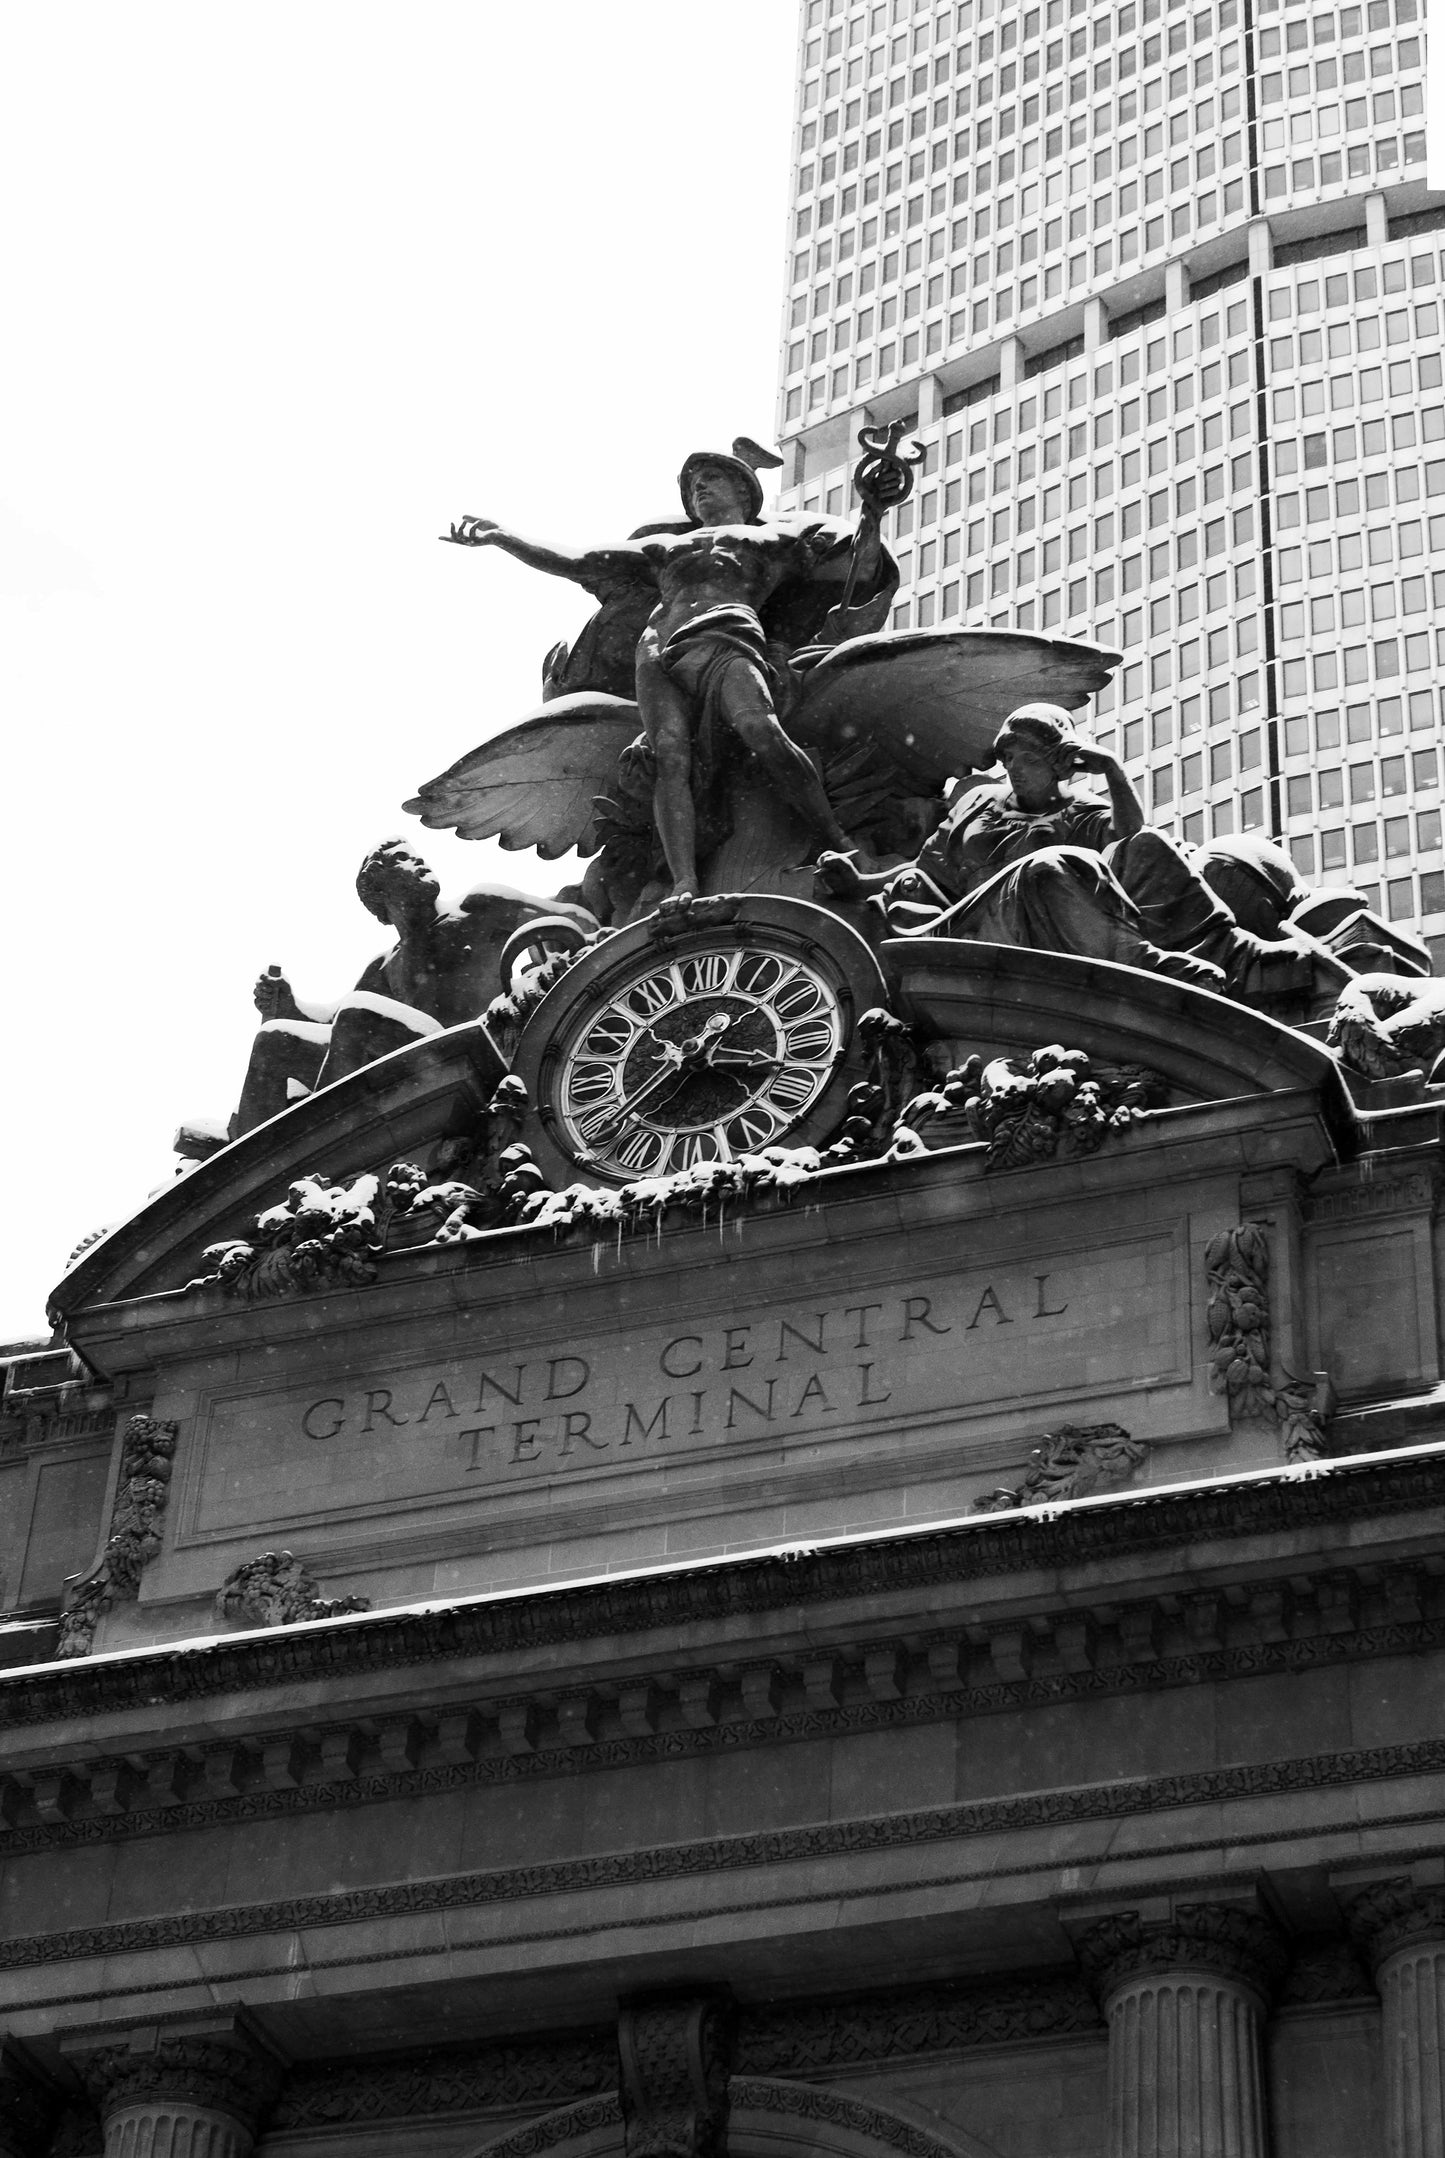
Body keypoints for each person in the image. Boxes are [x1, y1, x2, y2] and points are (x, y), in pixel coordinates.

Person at [445, 445, 897, 897]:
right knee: (669, 759)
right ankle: (684, 882)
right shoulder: (663, 547)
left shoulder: (775, 544)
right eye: (691, 483)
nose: (698, 488)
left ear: (743, 489)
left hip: (727, 637)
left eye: (710, 479)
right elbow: (577, 561)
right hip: (658, 651)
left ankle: (840, 844)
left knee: (763, 731)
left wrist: (873, 509)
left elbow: (859, 568)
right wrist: (503, 537)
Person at [817, 702, 1350, 1009]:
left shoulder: (1083, 814)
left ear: (1061, 763)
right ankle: (1143, 964)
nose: (1015, 767)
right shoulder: (978, 804)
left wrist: (1113, 769)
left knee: (1143, 846)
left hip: (1061, 932)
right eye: (1008, 757)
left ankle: (1231, 956)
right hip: (980, 927)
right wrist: (858, 883)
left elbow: (1130, 837)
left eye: (1027, 757)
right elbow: (924, 874)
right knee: (1051, 866)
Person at [230, 841, 593, 1136]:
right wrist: (286, 1005)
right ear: (382, 895)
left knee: (359, 1015)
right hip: (416, 1060)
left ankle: (321, 1141)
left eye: (419, 857)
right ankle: (245, 1166)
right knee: (274, 1040)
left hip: (469, 1050)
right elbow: (332, 1024)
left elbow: (574, 919)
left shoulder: (479, 908)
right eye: (403, 860)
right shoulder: (387, 965)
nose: (420, 863)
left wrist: (550, 959)